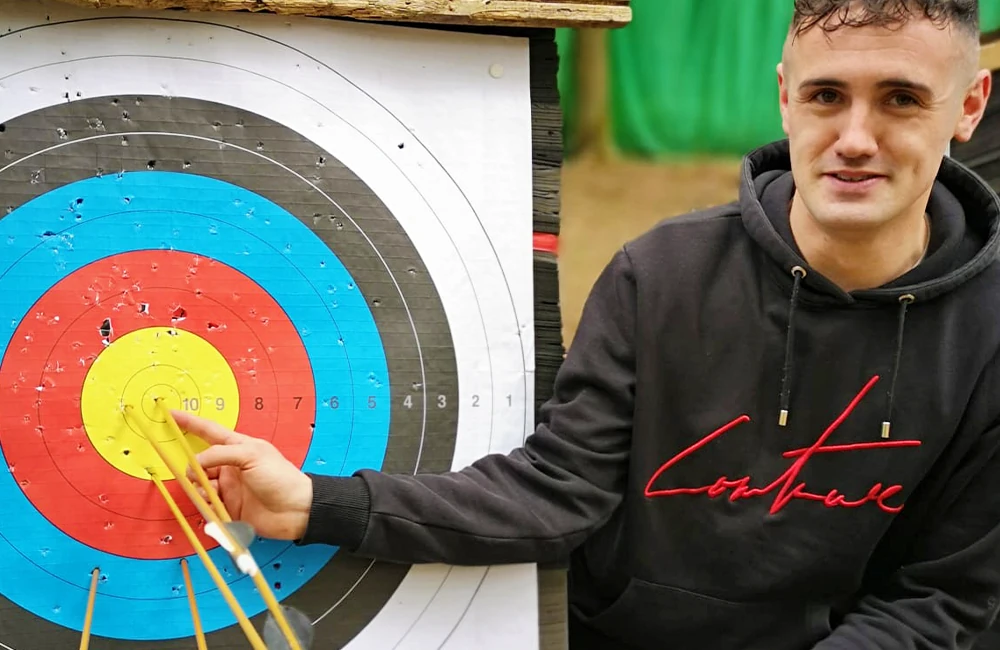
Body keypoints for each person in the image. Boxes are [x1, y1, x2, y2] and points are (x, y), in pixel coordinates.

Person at [172, 1, 1000, 647]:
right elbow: (557, 495)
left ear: (968, 104)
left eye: (900, 99)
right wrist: (315, 504)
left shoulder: (989, 330)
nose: (855, 138)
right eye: (827, 95)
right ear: (784, 94)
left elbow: (942, 596)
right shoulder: (661, 273)